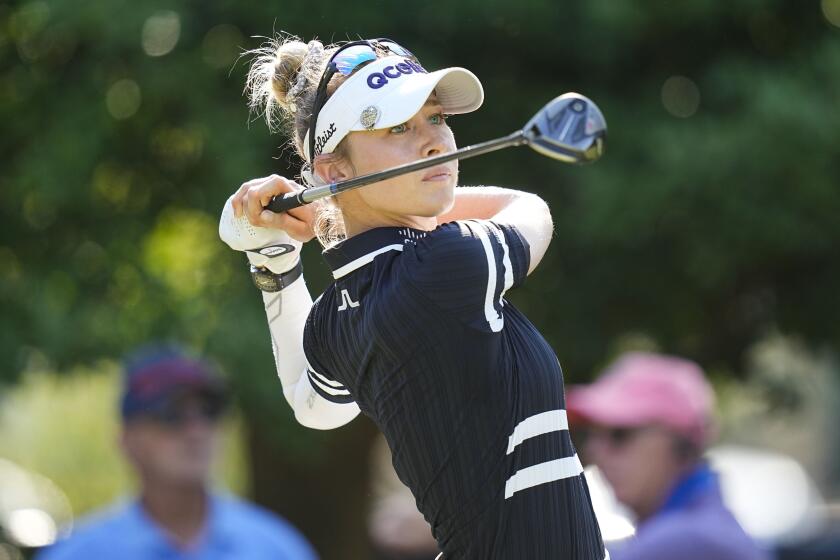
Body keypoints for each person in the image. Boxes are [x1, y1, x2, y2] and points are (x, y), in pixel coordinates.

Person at [219, 35, 606, 559]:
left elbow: (313, 404)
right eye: (399, 127)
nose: (434, 142)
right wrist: (334, 218)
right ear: (334, 171)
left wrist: (276, 256)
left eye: (437, 119)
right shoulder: (445, 264)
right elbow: (528, 208)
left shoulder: (337, 316)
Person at [36, 344, 317, 560]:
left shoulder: (276, 549)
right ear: (126, 439)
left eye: (210, 411)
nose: (196, 431)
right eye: (171, 414)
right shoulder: (80, 555)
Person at [566, 351, 769, 560]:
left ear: (679, 442)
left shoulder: (690, 540)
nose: (595, 451)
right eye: (590, 434)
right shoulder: (703, 527)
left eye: (620, 434)